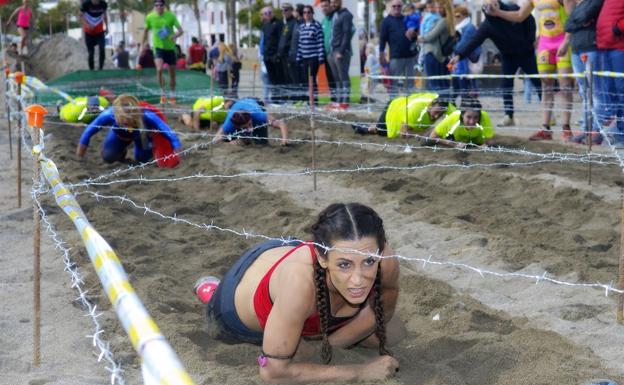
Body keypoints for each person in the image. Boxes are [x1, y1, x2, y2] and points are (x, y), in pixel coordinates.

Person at [196, 203, 401, 383]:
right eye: (345, 264)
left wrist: (327, 345)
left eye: (368, 262)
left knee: (390, 334)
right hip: (232, 302)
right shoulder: (299, 284)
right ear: (322, 258)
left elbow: (382, 311)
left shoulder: (385, 259)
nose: (358, 279)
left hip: (286, 253)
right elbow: (272, 373)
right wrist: (360, 372)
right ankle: (210, 290)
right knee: (298, 343)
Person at [487, 0, 575, 140]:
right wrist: (498, 13)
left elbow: (573, 17)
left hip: (562, 40)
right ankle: (545, 129)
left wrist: (567, 41)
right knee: (545, 85)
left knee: (565, 84)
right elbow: (520, 15)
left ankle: (566, 128)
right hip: (545, 44)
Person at [448, 0, 542, 128]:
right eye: (488, 6)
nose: (492, 8)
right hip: (508, 55)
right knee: (506, 86)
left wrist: (530, 41)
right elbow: (474, 41)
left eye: (494, 5)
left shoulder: (513, 9)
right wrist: (458, 55)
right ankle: (509, 116)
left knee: (537, 81)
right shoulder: (487, 25)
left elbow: (529, 20)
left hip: (526, 52)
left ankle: (548, 112)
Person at [76, 94, 182, 167]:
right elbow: (88, 131)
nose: (126, 122)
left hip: (141, 136)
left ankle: (144, 151)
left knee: (142, 160)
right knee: (108, 157)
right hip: (119, 136)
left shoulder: (145, 114)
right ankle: (121, 152)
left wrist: (176, 145)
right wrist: (79, 157)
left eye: (129, 119)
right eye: (123, 120)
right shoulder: (109, 114)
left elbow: (165, 129)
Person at [563, 0, 604, 144]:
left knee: (595, 92)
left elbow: (583, 16)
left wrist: (576, 22)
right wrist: (577, 22)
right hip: (576, 50)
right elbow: (567, 25)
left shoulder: (596, 2)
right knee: (584, 92)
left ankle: (596, 130)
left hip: (591, 48)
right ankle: (586, 128)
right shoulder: (579, 4)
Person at [352, 93, 456, 138]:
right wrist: (425, 134)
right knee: (381, 131)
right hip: (393, 108)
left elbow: (458, 116)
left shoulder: (445, 105)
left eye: (440, 113)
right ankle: (363, 128)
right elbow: (403, 134)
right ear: (430, 106)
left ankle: (364, 128)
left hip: (404, 106)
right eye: (436, 112)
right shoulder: (415, 111)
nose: (437, 116)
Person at [141, 0, 184, 105]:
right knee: (159, 69)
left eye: (161, 5)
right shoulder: (150, 17)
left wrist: (175, 35)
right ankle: (163, 93)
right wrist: (142, 45)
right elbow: (145, 31)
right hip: (158, 47)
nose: (159, 7)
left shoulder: (171, 16)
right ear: (154, 7)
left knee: (172, 74)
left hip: (170, 48)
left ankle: (172, 96)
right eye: (157, 5)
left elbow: (180, 30)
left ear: (164, 6)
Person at [594, 0, 624, 143]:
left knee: (621, 91)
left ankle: (622, 133)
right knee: (611, 92)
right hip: (605, 47)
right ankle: (618, 131)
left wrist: (619, 27)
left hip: (620, 47)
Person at [379, 0, 419, 97]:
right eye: (394, 6)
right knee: (394, 84)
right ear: (390, 7)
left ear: (402, 7)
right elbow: (382, 39)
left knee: (410, 83)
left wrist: (414, 34)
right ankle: (394, 104)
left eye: (399, 6)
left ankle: (409, 104)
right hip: (396, 57)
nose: (397, 8)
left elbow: (416, 34)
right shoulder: (386, 21)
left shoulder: (407, 18)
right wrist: (381, 54)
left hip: (410, 56)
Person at [215, 98, 288, 146]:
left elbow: (281, 124)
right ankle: (244, 137)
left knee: (262, 144)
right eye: (245, 127)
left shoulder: (259, 115)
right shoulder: (229, 124)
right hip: (237, 108)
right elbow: (217, 138)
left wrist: (284, 141)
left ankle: (247, 135)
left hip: (253, 102)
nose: (250, 128)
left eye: (250, 124)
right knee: (231, 139)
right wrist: (229, 143)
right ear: (237, 127)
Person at [429, 96, 495, 148]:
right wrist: (454, 144)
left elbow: (490, 141)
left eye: (476, 117)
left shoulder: (484, 116)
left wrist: (483, 145)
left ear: (479, 116)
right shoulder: (454, 117)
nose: (472, 122)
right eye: (468, 117)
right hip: (455, 140)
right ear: (462, 115)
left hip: (477, 142)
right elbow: (432, 137)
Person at [418, 0, 454, 92]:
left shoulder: (442, 21)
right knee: (441, 84)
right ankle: (443, 104)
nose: (437, 9)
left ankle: (439, 105)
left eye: (439, 7)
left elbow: (430, 36)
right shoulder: (448, 21)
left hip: (433, 54)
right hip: (440, 55)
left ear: (444, 9)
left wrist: (420, 38)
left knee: (434, 85)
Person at [328, 0, 354, 110]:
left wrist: (341, 51)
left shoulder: (346, 15)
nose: (333, 4)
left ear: (340, 2)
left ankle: (345, 102)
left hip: (341, 51)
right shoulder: (335, 15)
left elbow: (347, 33)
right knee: (337, 78)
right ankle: (338, 102)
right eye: (332, 2)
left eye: (335, 2)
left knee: (343, 78)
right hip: (332, 50)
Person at [296, 5, 325, 106]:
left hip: (314, 57)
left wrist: (321, 57)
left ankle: (314, 101)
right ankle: (308, 100)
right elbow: (300, 43)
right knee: (305, 79)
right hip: (304, 57)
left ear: (312, 13)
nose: (307, 14)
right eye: (304, 12)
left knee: (312, 78)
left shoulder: (316, 25)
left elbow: (320, 42)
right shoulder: (302, 27)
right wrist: (298, 57)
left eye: (309, 12)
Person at [451, 6, 480, 100]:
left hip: (466, 59)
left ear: (464, 15)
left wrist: (453, 49)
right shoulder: (460, 27)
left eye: (458, 15)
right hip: (461, 59)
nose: (456, 18)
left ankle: (464, 102)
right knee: (458, 83)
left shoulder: (468, 27)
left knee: (464, 84)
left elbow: (463, 44)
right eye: (455, 16)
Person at [261, 7, 284, 104]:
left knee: (278, 78)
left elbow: (280, 39)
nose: (268, 14)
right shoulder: (265, 25)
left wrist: (278, 54)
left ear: (273, 13)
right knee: (271, 79)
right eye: (265, 13)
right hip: (267, 56)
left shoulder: (278, 23)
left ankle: (279, 98)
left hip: (275, 56)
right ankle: (274, 98)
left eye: (269, 12)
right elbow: (265, 42)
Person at [79, 0, 108, 71]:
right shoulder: (86, 4)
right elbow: (80, 16)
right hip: (89, 34)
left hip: (99, 32)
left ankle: (100, 68)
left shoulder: (103, 4)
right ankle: (91, 70)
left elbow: (105, 16)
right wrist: (87, 25)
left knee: (102, 49)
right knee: (91, 53)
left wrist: (107, 27)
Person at [278, 3, 298, 101]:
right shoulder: (285, 23)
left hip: (290, 55)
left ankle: (295, 98)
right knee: (286, 78)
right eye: (282, 11)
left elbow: (293, 40)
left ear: (291, 10)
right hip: (283, 56)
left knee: (292, 78)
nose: (284, 12)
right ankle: (288, 97)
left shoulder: (294, 23)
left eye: (286, 10)